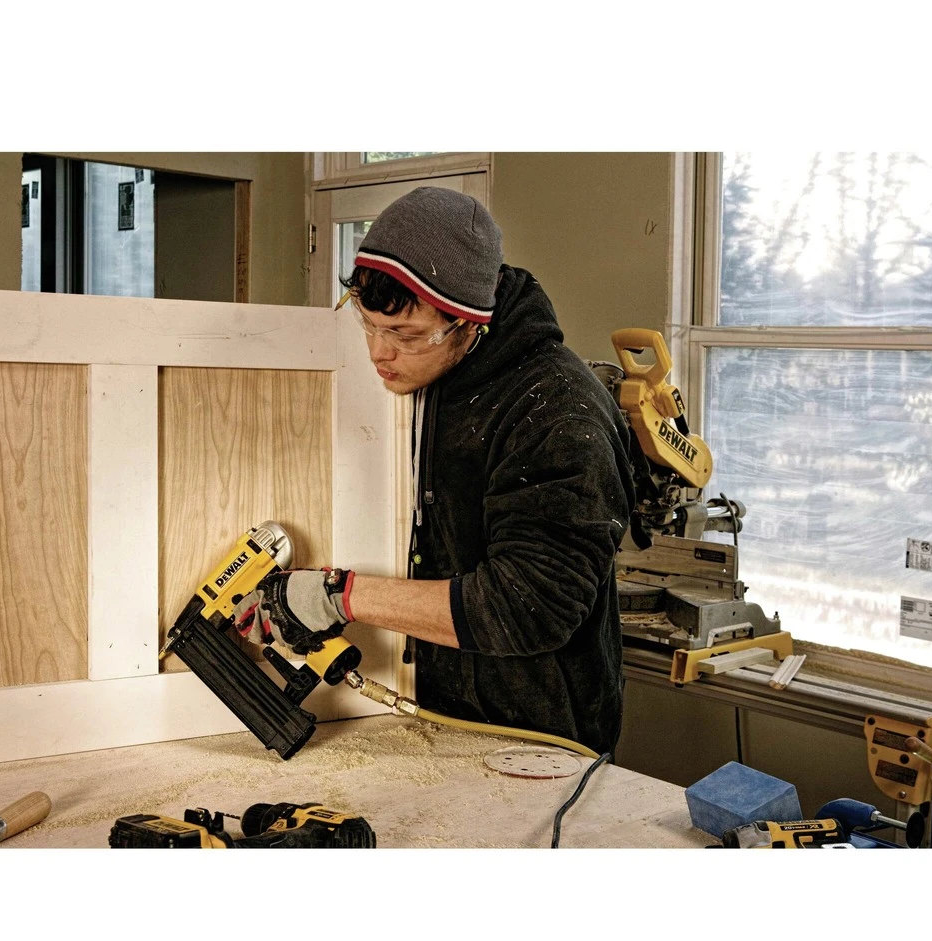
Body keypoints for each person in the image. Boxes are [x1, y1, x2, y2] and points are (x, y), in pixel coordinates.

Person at [233, 186, 637, 755]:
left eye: (404, 335)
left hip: (540, 739)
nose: (379, 353)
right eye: (369, 325)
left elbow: (528, 607)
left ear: (470, 323)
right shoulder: (435, 377)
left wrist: (340, 596)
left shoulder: (558, 414)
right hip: (439, 719)